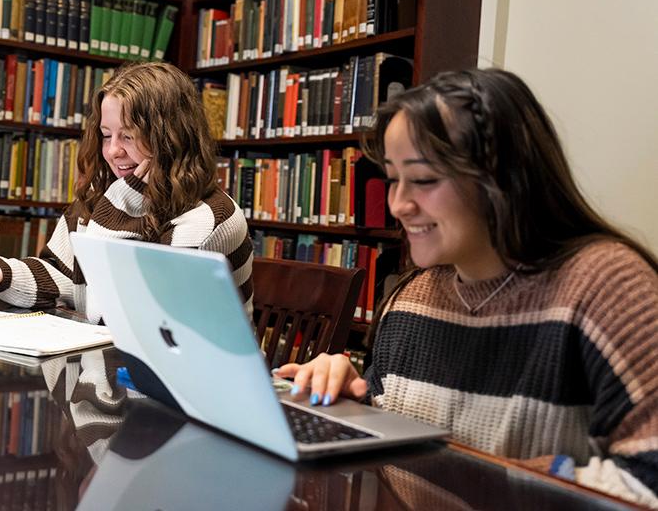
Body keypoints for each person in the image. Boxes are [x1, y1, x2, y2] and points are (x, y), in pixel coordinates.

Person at [275, 68, 658, 505]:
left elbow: (650, 477)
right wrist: (352, 402)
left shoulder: (606, 286)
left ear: (503, 179)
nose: (398, 205)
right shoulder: (411, 300)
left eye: (423, 180)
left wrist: (527, 480)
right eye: (393, 178)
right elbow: (404, 458)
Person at [0, 62, 253, 322]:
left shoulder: (211, 219)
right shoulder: (105, 198)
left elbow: (118, 316)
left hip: (194, 389)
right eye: (105, 135)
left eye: (128, 136)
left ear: (170, 138)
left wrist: (122, 202)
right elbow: (67, 277)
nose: (113, 151)